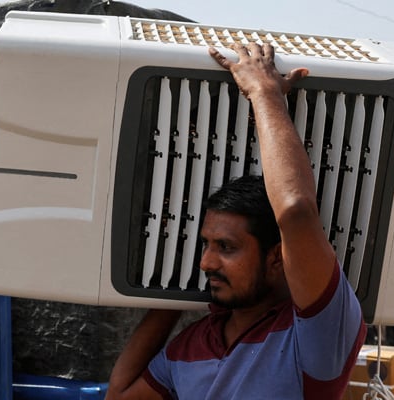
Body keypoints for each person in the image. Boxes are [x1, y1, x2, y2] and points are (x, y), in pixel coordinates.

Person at [106, 43, 366, 400]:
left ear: (277, 257)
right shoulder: (192, 345)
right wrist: (167, 285)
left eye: (226, 247)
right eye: (205, 245)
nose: (206, 262)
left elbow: (295, 212)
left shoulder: (315, 335)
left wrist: (264, 92)